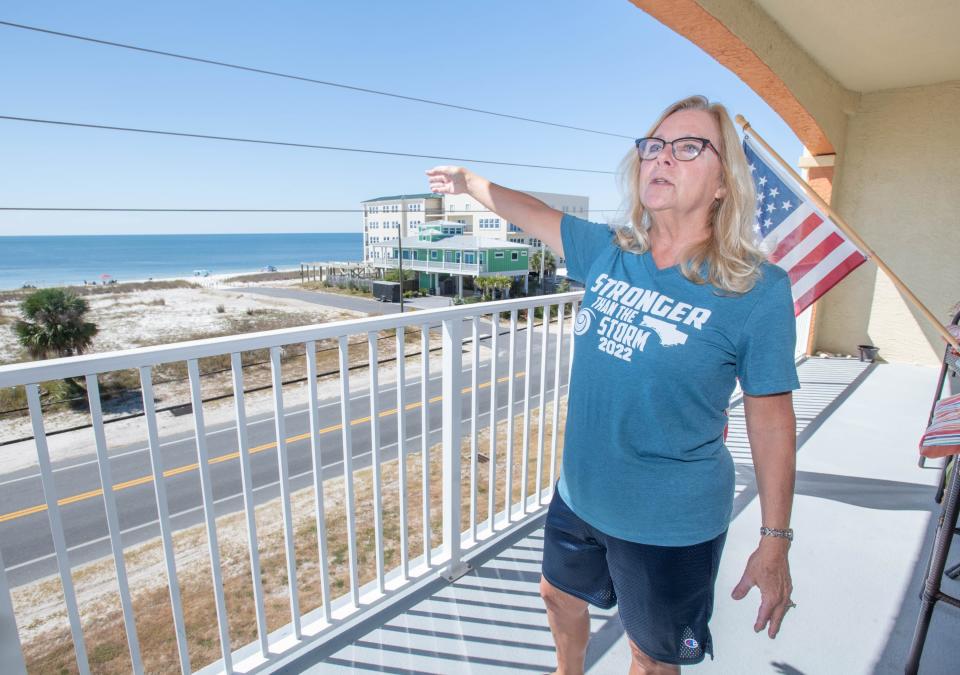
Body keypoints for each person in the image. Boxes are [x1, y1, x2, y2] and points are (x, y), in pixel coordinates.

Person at [426, 95, 799, 674]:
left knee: (650, 660)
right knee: (555, 595)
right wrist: (471, 182)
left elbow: (771, 418)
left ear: (725, 182)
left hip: (668, 520)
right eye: (653, 146)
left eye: (688, 147)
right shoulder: (609, 253)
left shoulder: (757, 289)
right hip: (580, 494)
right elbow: (529, 212)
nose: (662, 158)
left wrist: (775, 539)